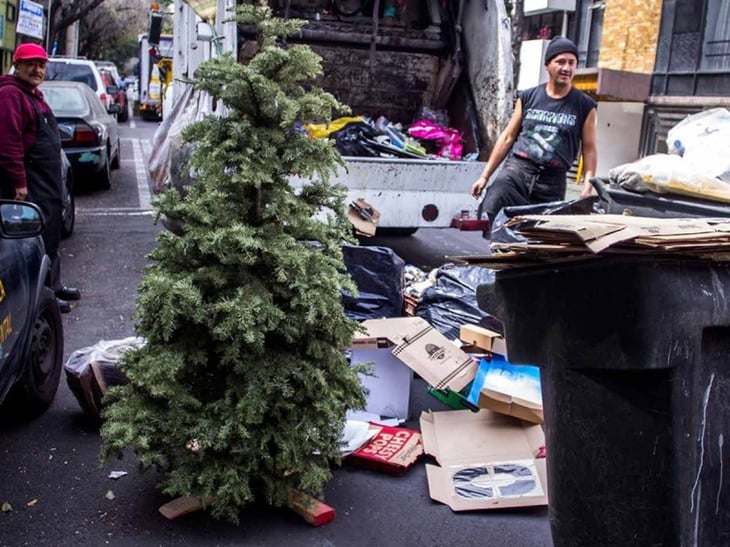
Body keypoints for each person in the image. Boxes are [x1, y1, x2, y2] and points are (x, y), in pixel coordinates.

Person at [471, 36, 597, 236]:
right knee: (494, 202)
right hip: (518, 171)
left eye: (571, 63)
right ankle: (497, 253)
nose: (566, 68)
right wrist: (484, 176)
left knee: (539, 236)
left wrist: (588, 184)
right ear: (548, 65)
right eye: (560, 62)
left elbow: (589, 148)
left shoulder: (584, 105)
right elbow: (507, 137)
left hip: (552, 181)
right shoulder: (529, 97)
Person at [0, 43, 81, 313]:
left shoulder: (33, 94)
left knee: (51, 235)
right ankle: (41, 297)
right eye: (31, 64)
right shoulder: (11, 95)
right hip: (30, 184)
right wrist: (19, 183)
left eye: (41, 64)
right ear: (17, 65)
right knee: (33, 242)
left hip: (47, 185)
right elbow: (8, 144)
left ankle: (53, 286)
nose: (37, 69)